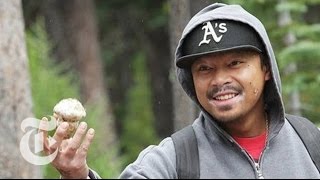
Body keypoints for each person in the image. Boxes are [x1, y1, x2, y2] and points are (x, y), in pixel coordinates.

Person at [39, 2, 320, 179]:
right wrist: (76, 176)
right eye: (205, 69)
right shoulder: (173, 161)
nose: (220, 80)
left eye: (235, 64)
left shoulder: (311, 144)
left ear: (266, 68)